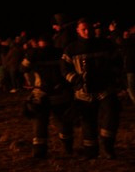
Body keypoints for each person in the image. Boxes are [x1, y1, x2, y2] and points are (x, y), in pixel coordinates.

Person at [62, 18, 123, 159]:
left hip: (105, 89)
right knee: (87, 122)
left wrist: (111, 76)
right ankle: (91, 151)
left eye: (89, 28)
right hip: (83, 92)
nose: (87, 32)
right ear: (78, 30)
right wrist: (76, 79)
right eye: (83, 29)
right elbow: (65, 69)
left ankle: (108, 147)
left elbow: (117, 62)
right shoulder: (71, 49)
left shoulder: (105, 45)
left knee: (111, 116)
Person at [23, 36, 75, 158]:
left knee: (40, 121)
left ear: (39, 42)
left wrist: (30, 54)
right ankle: (68, 147)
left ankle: (39, 150)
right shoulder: (60, 52)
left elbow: (23, 68)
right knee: (63, 121)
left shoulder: (33, 54)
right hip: (60, 92)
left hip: (41, 93)